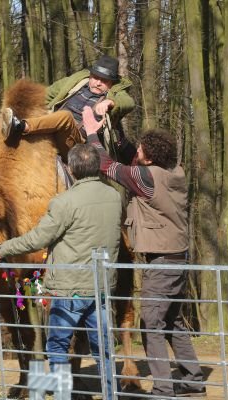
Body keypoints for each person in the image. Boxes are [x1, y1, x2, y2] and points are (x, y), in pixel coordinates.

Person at [82, 107, 206, 398]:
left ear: (149, 157)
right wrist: (114, 127)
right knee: (172, 321)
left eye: (140, 148)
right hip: (178, 258)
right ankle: (193, 381)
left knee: (150, 322)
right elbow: (129, 158)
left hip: (161, 262)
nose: (135, 150)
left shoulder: (147, 179)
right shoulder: (174, 173)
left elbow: (106, 165)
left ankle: (163, 389)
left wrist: (91, 131)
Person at [0, 143, 122, 399]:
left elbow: (38, 238)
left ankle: (63, 395)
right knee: (103, 349)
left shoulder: (64, 202)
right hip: (101, 287)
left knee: (58, 346)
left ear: (71, 168)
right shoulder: (113, 197)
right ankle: (109, 394)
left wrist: (3, 248)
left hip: (68, 289)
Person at [0, 54, 134, 168]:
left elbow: (128, 102)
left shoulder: (116, 94)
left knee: (65, 117)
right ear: (90, 75)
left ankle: (22, 127)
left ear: (112, 82)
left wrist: (110, 102)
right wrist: (24, 105)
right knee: (13, 112)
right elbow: (47, 94)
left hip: (78, 144)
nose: (98, 83)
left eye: (104, 81)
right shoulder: (76, 82)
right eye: (95, 77)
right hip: (51, 128)